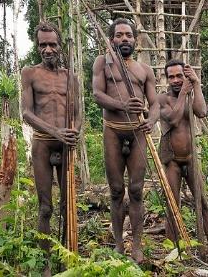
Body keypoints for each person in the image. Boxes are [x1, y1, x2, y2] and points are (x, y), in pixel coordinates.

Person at [92, 17, 159, 263]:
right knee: (117, 190)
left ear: (135, 40)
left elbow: (154, 105)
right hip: (113, 129)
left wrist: (151, 120)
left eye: (128, 35)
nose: (124, 39)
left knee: (137, 190)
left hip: (137, 132)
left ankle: (137, 246)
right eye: (119, 35)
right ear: (112, 39)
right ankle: (119, 244)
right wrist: (121, 104)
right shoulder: (103, 63)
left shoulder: (145, 70)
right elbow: (97, 94)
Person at [21, 22, 80, 257]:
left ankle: (67, 254)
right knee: (45, 208)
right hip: (43, 144)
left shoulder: (70, 77)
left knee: (68, 205)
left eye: (52, 44)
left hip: (66, 146)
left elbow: (77, 114)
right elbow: (26, 113)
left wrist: (74, 131)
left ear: (60, 46)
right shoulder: (30, 73)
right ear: (37, 47)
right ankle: (44, 261)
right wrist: (55, 132)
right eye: (43, 44)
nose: (48, 49)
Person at [158, 59, 208, 250]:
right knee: (173, 205)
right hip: (172, 161)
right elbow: (173, 119)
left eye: (179, 76)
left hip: (191, 160)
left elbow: (202, 112)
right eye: (171, 77)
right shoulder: (162, 99)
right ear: (167, 79)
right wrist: (183, 92)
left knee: (203, 204)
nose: (175, 80)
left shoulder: (191, 97)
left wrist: (196, 84)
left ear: (185, 76)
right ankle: (173, 249)